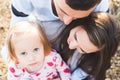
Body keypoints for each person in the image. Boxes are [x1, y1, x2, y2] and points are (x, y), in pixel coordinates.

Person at [1, 0, 109, 61]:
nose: (66, 21)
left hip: (76, 31)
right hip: (39, 24)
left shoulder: (102, 7)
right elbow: (18, 22)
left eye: (77, 16)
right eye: (63, 11)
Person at [55, 12, 120, 80]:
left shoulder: (92, 63)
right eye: (76, 37)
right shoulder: (54, 29)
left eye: (82, 50)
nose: (71, 46)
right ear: (81, 22)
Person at [6, 21, 71, 80]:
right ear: (14, 55)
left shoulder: (53, 58)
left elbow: (64, 71)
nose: (31, 58)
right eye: (23, 53)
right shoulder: (15, 68)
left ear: (44, 45)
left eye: (35, 49)